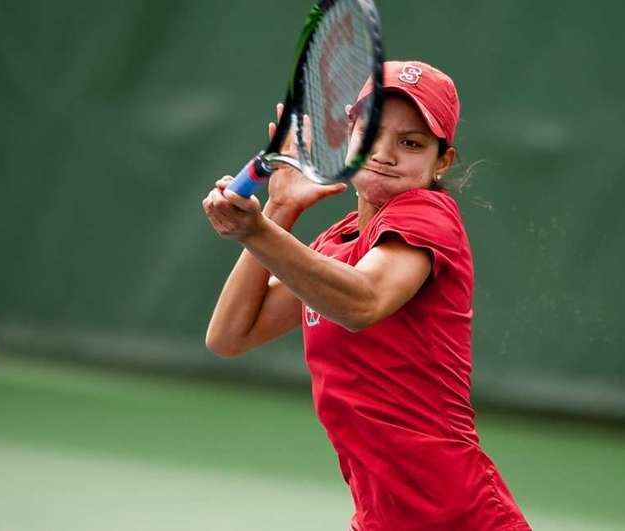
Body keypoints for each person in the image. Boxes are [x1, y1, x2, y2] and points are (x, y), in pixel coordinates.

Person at [202, 60, 531, 531]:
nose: (385, 154)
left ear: (442, 162)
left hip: (459, 516)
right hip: (380, 518)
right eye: (371, 133)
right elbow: (231, 335)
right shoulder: (334, 247)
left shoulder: (428, 214)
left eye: (411, 143)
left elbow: (362, 302)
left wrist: (256, 231)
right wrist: (278, 208)